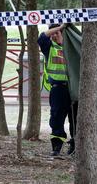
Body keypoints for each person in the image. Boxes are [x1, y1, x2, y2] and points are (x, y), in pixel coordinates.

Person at [38, 23, 78, 156]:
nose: (54, 35)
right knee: (56, 119)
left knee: (76, 119)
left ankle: (75, 146)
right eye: (53, 33)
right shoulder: (50, 48)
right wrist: (59, 28)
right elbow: (42, 37)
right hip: (58, 90)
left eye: (58, 33)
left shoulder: (73, 47)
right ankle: (56, 147)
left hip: (74, 90)